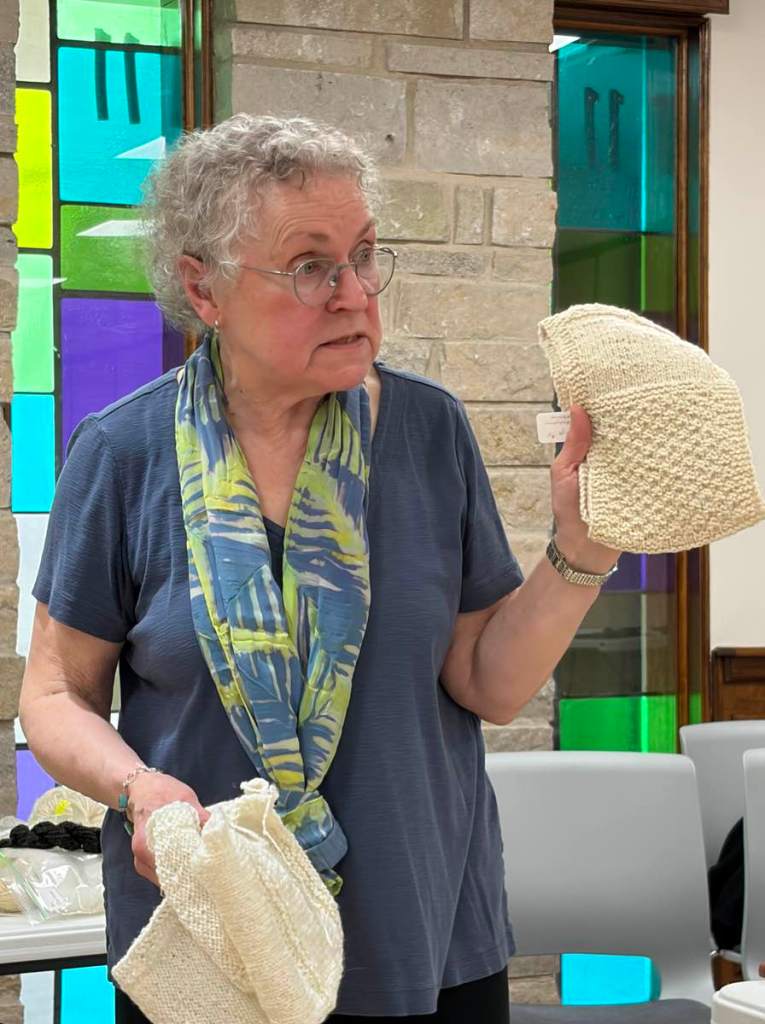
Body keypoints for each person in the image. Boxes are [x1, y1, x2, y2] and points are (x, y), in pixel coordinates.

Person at [19, 114, 620, 1024]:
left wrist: (586, 545)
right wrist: (141, 790)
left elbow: (486, 684)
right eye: (310, 266)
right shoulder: (123, 452)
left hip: (422, 935)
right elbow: (55, 696)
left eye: (365, 255)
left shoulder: (428, 431)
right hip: (212, 941)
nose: (354, 295)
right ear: (203, 288)